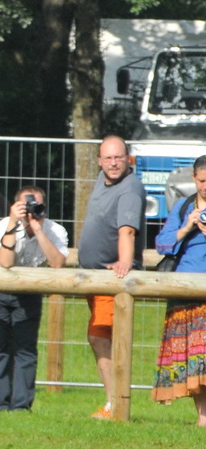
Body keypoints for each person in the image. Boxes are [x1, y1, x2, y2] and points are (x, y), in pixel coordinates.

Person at [0, 186, 69, 412]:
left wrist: (38, 229)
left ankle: (21, 406)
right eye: (26, 206)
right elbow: (6, 262)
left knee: (25, 350)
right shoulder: (4, 225)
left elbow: (57, 263)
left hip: (30, 291)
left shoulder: (55, 230)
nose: (31, 211)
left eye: (37, 206)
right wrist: (13, 223)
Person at [78, 136, 142, 418]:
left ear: (128, 159)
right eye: (108, 158)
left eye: (119, 158)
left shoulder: (129, 188)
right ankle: (113, 401)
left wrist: (124, 263)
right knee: (101, 338)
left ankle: (115, 403)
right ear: (100, 161)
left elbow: (127, 230)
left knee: (100, 338)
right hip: (94, 278)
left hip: (111, 280)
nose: (113, 163)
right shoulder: (102, 180)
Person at [152, 156, 206, 423]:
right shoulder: (185, 206)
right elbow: (161, 243)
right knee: (196, 359)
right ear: (194, 179)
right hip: (186, 293)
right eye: (202, 180)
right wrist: (186, 228)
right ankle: (202, 416)